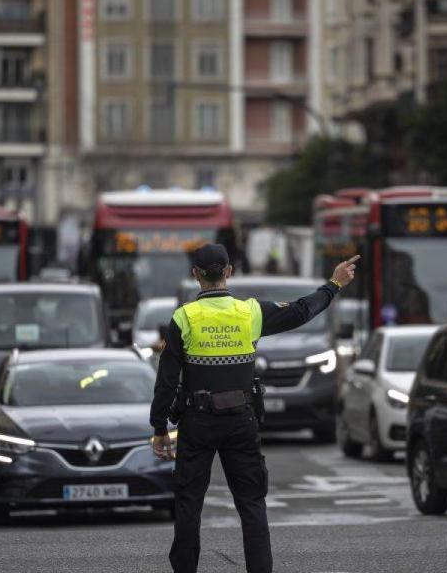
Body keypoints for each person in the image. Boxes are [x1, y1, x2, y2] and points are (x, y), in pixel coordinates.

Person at [150, 244, 359, 573]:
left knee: (189, 504)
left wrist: (160, 428)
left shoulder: (184, 318)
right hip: (240, 419)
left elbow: (166, 381)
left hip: (197, 422)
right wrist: (334, 284)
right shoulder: (250, 313)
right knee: (251, 504)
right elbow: (302, 311)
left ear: (196, 276)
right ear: (229, 272)